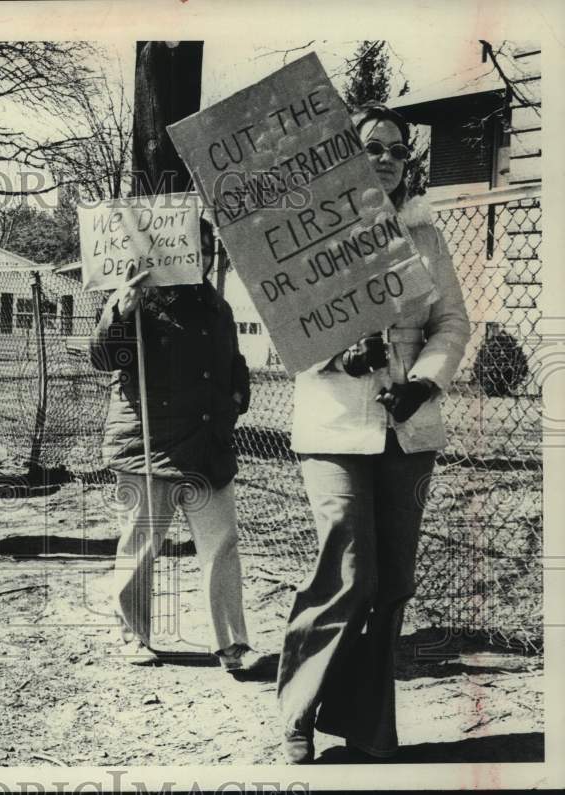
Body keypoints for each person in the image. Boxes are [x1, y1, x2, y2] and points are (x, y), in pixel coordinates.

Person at [277, 102, 470, 764]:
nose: (384, 157)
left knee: (391, 584)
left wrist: (423, 381)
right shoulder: (313, 238)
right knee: (349, 571)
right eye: (370, 147)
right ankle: (299, 712)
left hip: (407, 430)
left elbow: (452, 322)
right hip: (333, 427)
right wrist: (337, 353)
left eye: (394, 148)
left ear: (405, 160)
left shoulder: (429, 238)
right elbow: (289, 332)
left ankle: (365, 723)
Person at [89, 244, 259, 670]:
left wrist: (238, 396)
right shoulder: (137, 297)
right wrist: (121, 313)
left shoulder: (217, 306)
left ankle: (232, 644)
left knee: (221, 545)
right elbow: (104, 358)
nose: (195, 259)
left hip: (208, 445)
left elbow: (234, 362)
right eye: (186, 249)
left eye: (203, 251)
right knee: (141, 543)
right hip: (148, 443)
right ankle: (132, 634)